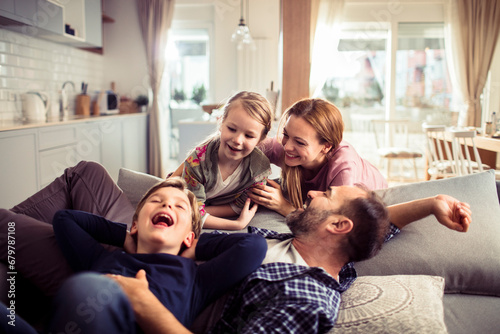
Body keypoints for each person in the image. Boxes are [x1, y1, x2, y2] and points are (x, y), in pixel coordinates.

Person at [107, 186, 471, 333]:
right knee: (85, 178)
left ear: (337, 225)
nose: (312, 192)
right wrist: (431, 203)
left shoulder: (307, 299)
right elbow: (374, 226)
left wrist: (144, 304)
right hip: (142, 254)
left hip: (144, 303)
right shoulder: (289, 243)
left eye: (325, 194)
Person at [45, 178, 266, 332]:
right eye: (156, 201)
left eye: (179, 207)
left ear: (189, 237)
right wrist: (124, 236)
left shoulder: (195, 279)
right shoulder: (104, 259)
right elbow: (65, 219)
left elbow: (253, 245)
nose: (167, 204)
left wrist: (194, 245)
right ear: (135, 225)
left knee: (86, 287)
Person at [249, 98, 388, 217]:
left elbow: (334, 221)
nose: (287, 147)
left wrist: (284, 206)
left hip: (375, 197)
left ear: (326, 146)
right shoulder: (286, 146)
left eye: (300, 142)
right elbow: (245, 142)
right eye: (286, 134)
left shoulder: (344, 168)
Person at [175, 90, 274, 230]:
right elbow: (191, 208)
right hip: (175, 192)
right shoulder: (197, 162)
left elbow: (242, 205)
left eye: (249, 136)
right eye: (232, 129)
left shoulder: (259, 168)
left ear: (261, 139)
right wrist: (236, 224)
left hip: (201, 206)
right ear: (221, 122)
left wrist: (201, 212)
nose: (238, 140)